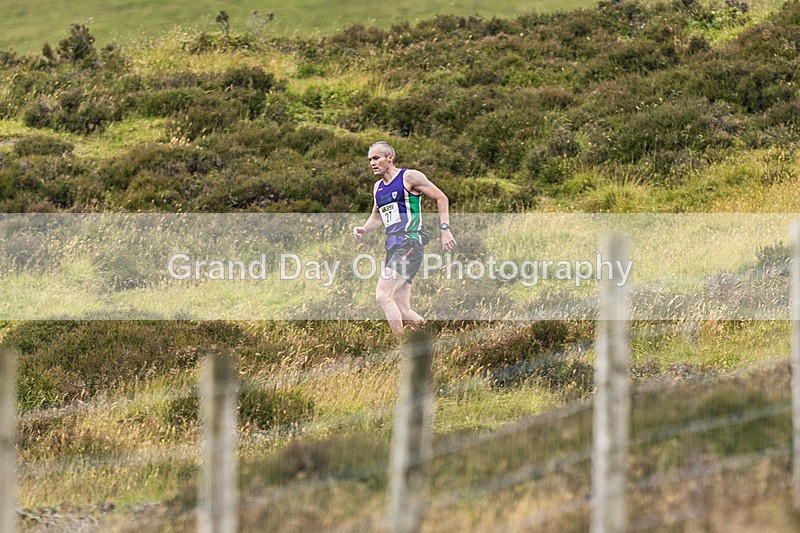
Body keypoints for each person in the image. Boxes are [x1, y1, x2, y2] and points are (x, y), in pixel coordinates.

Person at [353, 141, 456, 336]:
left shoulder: (409, 177)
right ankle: (439, 338)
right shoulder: (377, 188)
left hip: (410, 243)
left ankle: (398, 348)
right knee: (403, 309)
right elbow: (377, 217)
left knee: (382, 295)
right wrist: (364, 229)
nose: (372, 163)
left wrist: (445, 229)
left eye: (376, 158)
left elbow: (441, 198)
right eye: (370, 160)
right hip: (393, 246)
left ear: (390, 158)